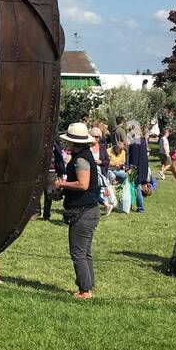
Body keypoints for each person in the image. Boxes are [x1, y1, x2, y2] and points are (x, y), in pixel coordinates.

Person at [55, 121, 102, 298]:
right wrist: (64, 191)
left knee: (78, 251)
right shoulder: (84, 155)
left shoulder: (81, 159)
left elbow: (83, 184)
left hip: (84, 212)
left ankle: (84, 290)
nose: (67, 144)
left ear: (75, 142)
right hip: (89, 210)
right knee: (85, 251)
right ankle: (88, 285)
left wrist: (62, 183)